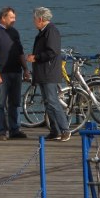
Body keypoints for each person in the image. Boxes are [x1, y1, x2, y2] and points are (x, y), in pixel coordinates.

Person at [0, 7, 30, 140]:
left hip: (16, 72)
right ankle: (1, 131)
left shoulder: (14, 33)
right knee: (0, 103)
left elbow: (20, 52)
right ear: (3, 18)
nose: (14, 20)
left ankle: (15, 129)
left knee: (15, 102)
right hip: (1, 74)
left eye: (14, 17)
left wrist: (26, 69)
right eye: (11, 17)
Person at [26, 7, 71, 142]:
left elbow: (52, 52)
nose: (33, 22)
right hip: (43, 72)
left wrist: (36, 57)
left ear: (40, 19)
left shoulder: (51, 31)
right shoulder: (43, 32)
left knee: (52, 101)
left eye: (34, 19)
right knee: (47, 102)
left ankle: (65, 129)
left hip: (49, 72)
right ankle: (55, 130)